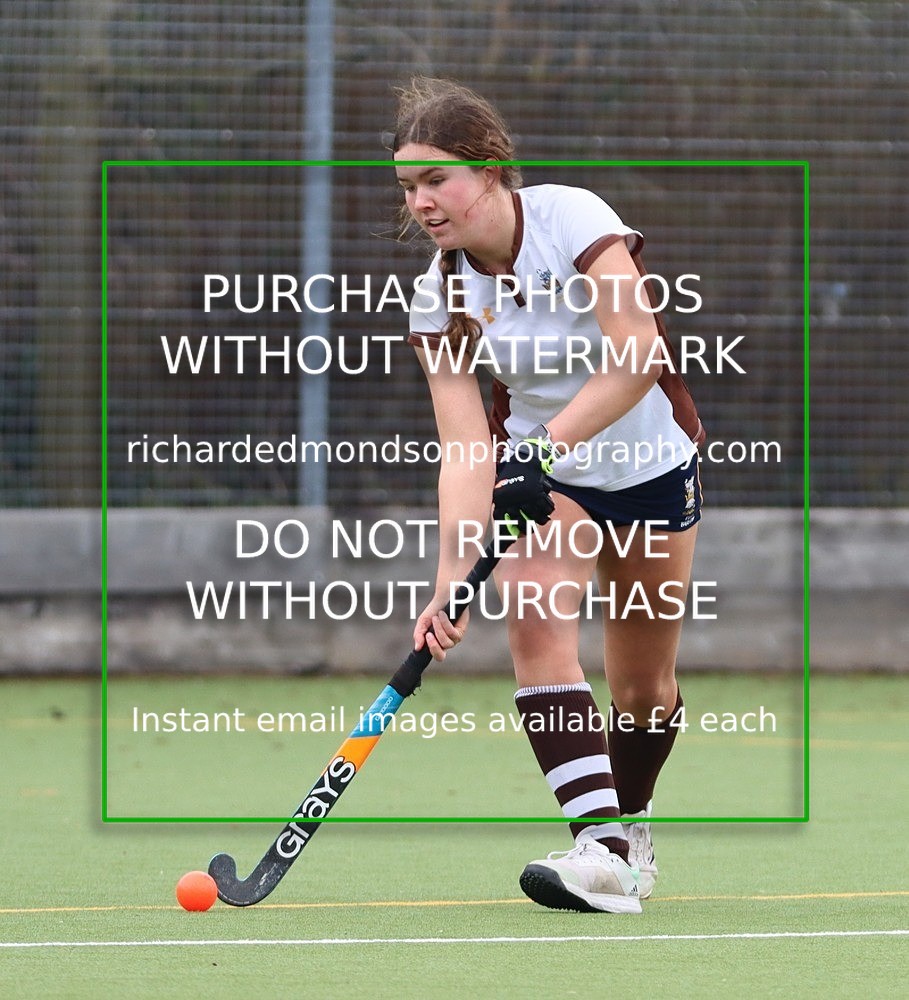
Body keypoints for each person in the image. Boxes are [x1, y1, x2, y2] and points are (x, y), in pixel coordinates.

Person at [391, 77, 704, 914]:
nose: (421, 202)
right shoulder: (440, 294)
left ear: (490, 170)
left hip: (646, 471)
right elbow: (464, 449)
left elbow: (636, 353)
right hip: (549, 486)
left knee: (642, 693)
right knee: (530, 611)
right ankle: (598, 850)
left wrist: (540, 446)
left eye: (436, 181)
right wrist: (449, 578)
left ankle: (629, 827)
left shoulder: (573, 219)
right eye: (408, 188)